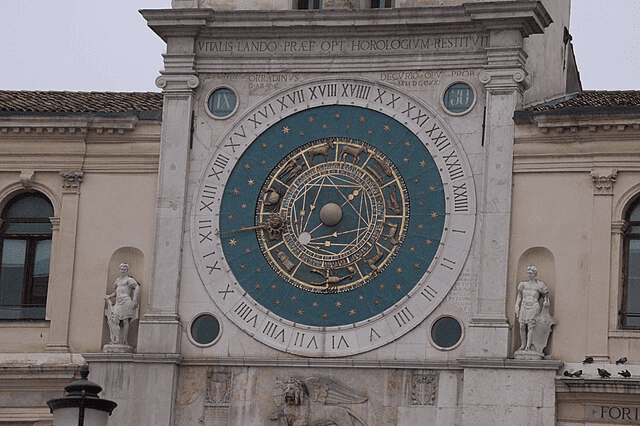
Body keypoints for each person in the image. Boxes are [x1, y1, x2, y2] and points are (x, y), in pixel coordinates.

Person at [515, 265, 549, 351]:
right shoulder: (523, 284)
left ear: (535, 274)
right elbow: (519, 295)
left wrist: (546, 301)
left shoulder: (539, 285)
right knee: (522, 326)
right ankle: (523, 344)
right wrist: (516, 305)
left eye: (531, 273)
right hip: (524, 305)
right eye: (528, 273)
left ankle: (528, 346)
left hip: (534, 305)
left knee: (531, 326)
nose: (529, 275)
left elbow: (546, 295)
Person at [105, 263, 140, 345]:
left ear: (127, 270)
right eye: (121, 269)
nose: (122, 271)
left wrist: (134, 299)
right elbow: (116, 292)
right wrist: (109, 296)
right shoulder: (117, 280)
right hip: (118, 302)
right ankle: (116, 339)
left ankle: (124, 340)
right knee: (115, 320)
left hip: (126, 300)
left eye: (124, 269)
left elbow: (137, 287)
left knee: (125, 321)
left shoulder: (129, 279)